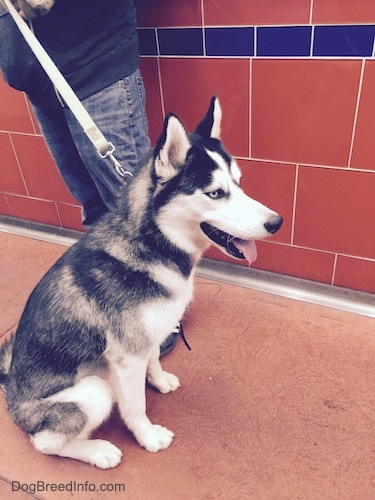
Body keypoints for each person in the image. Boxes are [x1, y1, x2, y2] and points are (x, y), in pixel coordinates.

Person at [0, 0, 179, 355]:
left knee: (135, 207)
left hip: (97, 67)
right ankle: (121, 306)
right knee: (96, 208)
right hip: (40, 80)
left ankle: (160, 313)